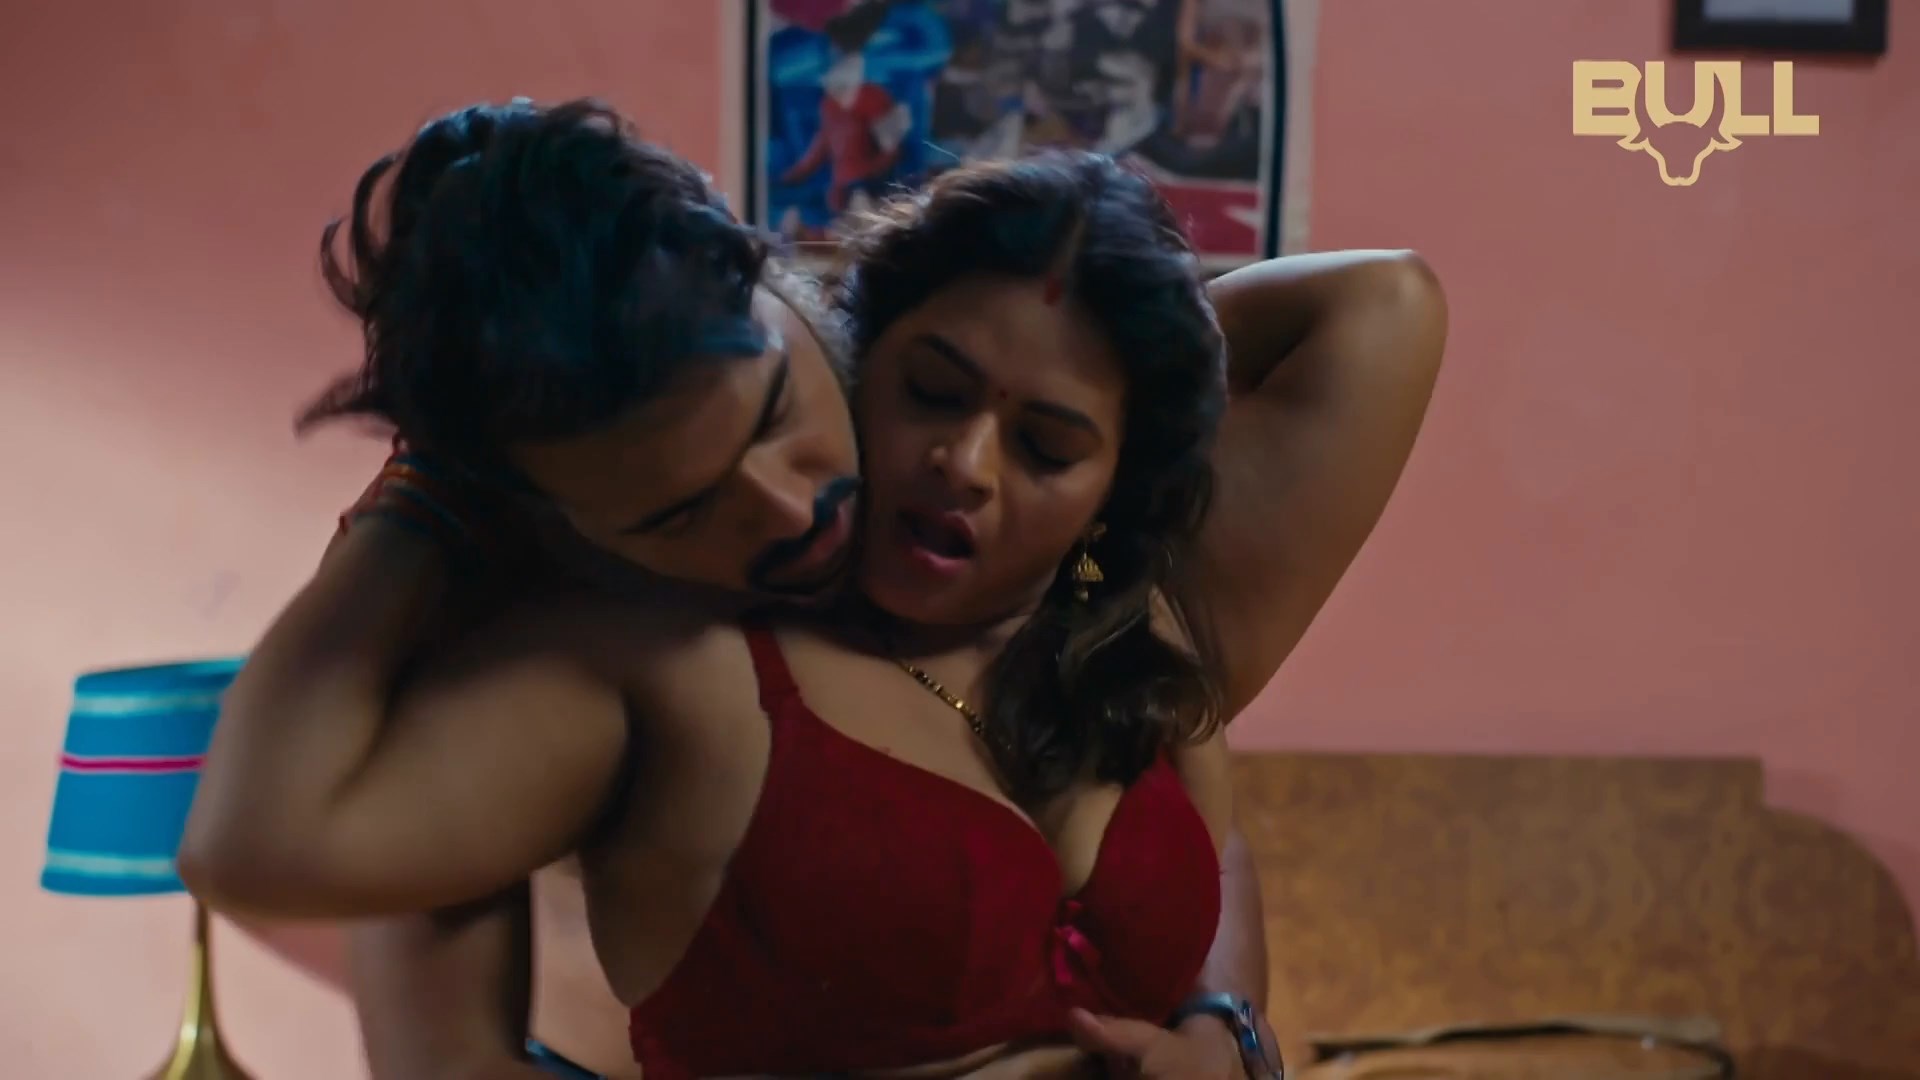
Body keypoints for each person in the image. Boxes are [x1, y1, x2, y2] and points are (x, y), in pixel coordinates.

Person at [182, 110, 1445, 1079]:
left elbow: (1382, 304)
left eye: (775, 415)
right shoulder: (649, 665)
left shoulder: (1116, 602)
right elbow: (264, 855)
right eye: (680, 511)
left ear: (804, 297)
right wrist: (425, 497)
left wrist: (1227, 1028)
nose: (791, 513)